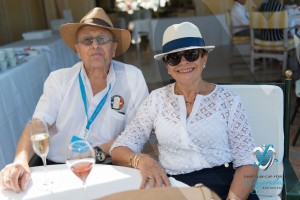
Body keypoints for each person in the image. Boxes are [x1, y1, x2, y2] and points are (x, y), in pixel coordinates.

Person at [0, 7, 148, 192]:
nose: (95, 45)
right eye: (87, 40)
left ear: (114, 48)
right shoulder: (59, 79)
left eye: (102, 39)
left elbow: (138, 131)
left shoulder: (133, 78)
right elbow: (36, 126)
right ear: (77, 50)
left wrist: (96, 154)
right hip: (58, 168)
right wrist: (20, 160)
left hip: (110, 165)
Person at [110, 22, 259, 200]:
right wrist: (141, 160)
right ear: (167, 66)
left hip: (227, 187)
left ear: (204, 58)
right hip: (176, 190)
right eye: (174, 57)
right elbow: (119, 149)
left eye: (191, 54)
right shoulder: (156, 100)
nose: (183, 62)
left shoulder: (229, 100)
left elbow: (248, 163)